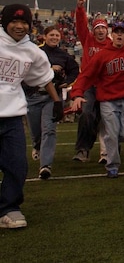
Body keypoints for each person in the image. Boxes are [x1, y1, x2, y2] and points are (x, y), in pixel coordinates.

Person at [69, 22, 124, 178]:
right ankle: (112, 166)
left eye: (122, 32)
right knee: (111, 133)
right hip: (108, 101)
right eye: (116, 32)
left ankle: (111, 141)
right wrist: (77, 94)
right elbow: (86, 75)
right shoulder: (102, 55)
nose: (119, 35)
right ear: (112, 35)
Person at [0, 4, 62, 229]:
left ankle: (8, 208)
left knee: (17, 164)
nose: (19, 26)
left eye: (24, 22)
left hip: (13, 115)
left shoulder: (32, 51)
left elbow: (44, 77)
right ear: (4, 21)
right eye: (14, 21)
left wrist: (56, 101)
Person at [25, 26, 79, 179]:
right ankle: (37, 146)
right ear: (44, 36)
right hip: (34, 95)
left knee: (49, 129)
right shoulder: (35, 51)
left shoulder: (63, 55)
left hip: (52, 97)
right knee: (36, 132)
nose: (54, 37)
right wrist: (50, 68)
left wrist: (66, 82)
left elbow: (74, 69)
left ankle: (45, 165)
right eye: (52, 35)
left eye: (57, 35)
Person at [72, 0, 111, 162]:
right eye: (98, 28)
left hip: (106, 86)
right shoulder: (88, 40)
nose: (100, 31)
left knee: (108, 118)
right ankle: (83, 149)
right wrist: (80, 8)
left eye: (103, 28)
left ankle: (109, 151)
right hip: (89, 86)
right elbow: (81, 25)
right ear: (93, 30)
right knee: (87, 114)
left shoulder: (112, 44)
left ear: (107, 30)